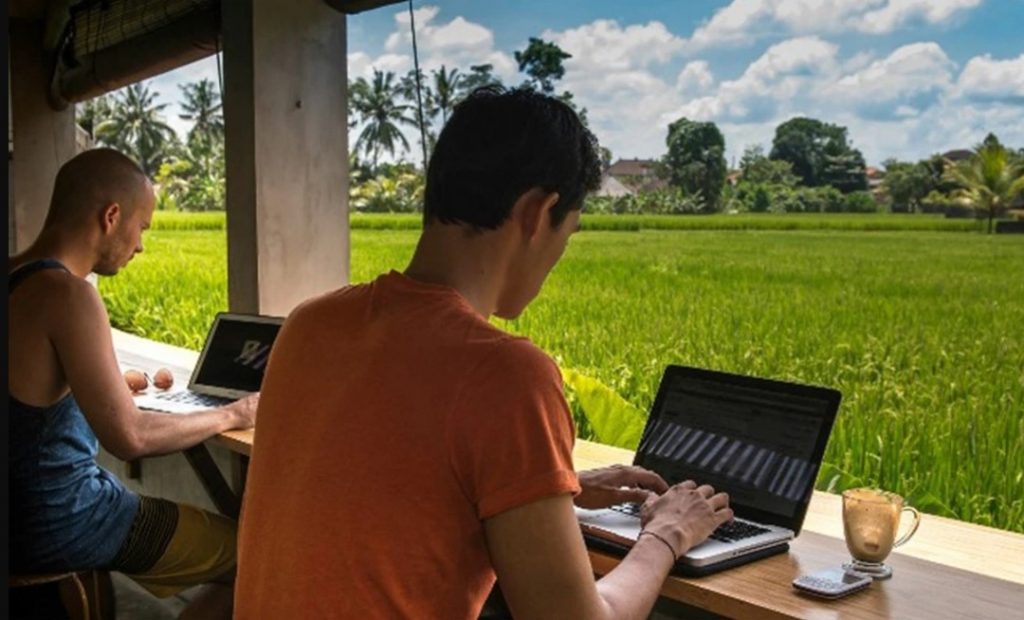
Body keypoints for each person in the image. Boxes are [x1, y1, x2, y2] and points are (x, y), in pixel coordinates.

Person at [235, 87, 733, 619]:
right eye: (571, 232)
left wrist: (547, 492)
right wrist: (667, 532)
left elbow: (386, 486)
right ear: (538, 214)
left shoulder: (310, 324)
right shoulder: (506, 374)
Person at [8, 148, 258, 619]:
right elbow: (130, 438)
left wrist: (113, 383)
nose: (140, 245)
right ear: (111, 216)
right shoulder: (68, 294)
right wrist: (235, 413)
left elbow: (29, 387)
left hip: (18, 512)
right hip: (61, 519)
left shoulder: (16, 276)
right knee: (252, 555)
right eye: (141, 227)